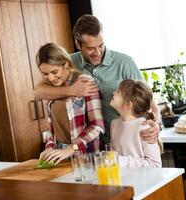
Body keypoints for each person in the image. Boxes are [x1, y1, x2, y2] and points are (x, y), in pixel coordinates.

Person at [34, 14, 160, 149]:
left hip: (129, 140)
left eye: (101, 45)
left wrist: (157, 123)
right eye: (90, 48)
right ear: (78, 44)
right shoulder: (69, 63)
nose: (98, 52)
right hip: (95, 144)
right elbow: (39, 91)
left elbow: (148, 100)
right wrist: (71, 90)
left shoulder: (124, 62)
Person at [36, 43, 105, 164]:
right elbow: (51, 128)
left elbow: (97, 126)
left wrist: (71, 149)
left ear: (66, 64)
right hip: (59, 155)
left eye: (54, 71)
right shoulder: (49, 88)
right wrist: (49, 147)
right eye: (45, 74)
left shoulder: (85, 82)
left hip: (85, 156)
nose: (51, 78)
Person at [110, 79, 162, 167]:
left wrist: (123, 161)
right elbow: (113, 158)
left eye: (118, 92)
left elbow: (155, 165)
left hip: (142, 180)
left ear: (128, 104)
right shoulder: (114, 124)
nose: (113, 93)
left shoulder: (144, 127)